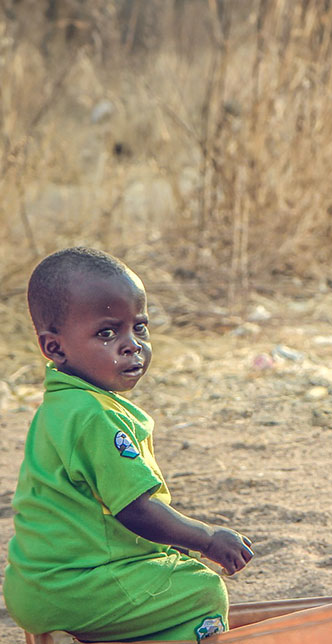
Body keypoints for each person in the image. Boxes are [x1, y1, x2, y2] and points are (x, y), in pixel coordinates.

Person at [4, 247, 255, 641]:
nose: (132, 344)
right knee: (202, 590)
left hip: (39, 582)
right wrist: (206, 538)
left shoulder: (64, 404)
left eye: (139, 327)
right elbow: (136, 511)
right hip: (79, 587)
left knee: (171, 563)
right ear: (54, 347)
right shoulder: (96, 417)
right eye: (107, 333)